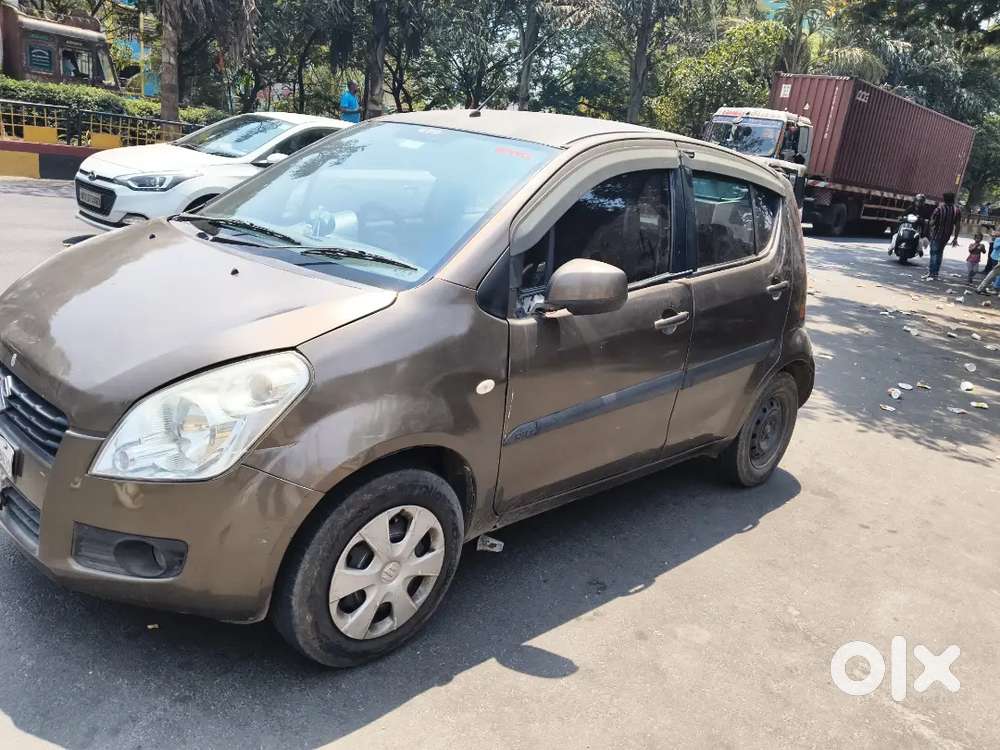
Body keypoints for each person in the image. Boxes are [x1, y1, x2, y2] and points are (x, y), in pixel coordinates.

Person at [923, 192, 961, 281]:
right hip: (946, 236)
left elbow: (932, 223)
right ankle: (935, 273)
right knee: (940, 253)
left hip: (936, 235)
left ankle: (932, 273)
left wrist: (929, 229)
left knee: (934, 253)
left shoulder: (939, 209)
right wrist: (955, 238)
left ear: (944, 199)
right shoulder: (957, 210)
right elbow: (958, 225)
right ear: (953, 199)